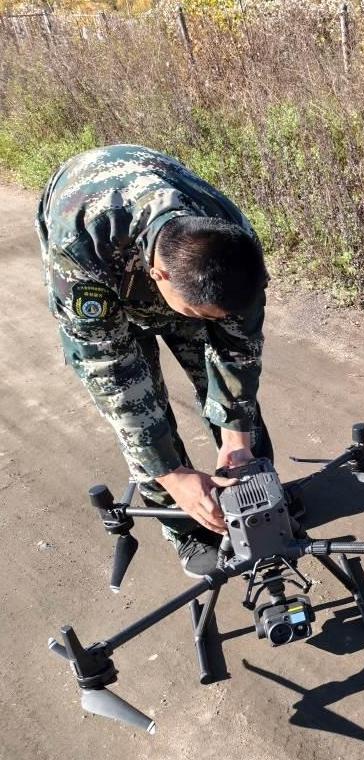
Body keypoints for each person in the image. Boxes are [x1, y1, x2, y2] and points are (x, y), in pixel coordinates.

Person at [37, 144, 273, 578]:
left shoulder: (233, 243)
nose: (208, 322)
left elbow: (238, 350)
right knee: (144, 408)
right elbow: (116, 382)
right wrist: (172, 476)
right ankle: (185, 527)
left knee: (239, 422)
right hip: (106, 277)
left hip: (180, 273)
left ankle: (256, 501)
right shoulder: (80, 247)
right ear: (159, 276)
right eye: (199, 313)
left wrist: (236, 440)